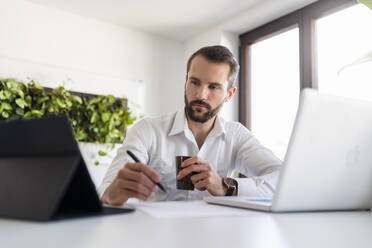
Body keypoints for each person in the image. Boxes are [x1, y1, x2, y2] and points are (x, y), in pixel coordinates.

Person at [98, 45, 281, 205]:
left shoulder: (236, 135)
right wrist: (114, 193)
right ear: (186, 81)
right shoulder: (147, 130)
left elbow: (283, 179)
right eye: (195, 82)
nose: (201, 94)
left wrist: (226, 186)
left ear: (229, 94)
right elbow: (104, 195)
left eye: (213, 87)